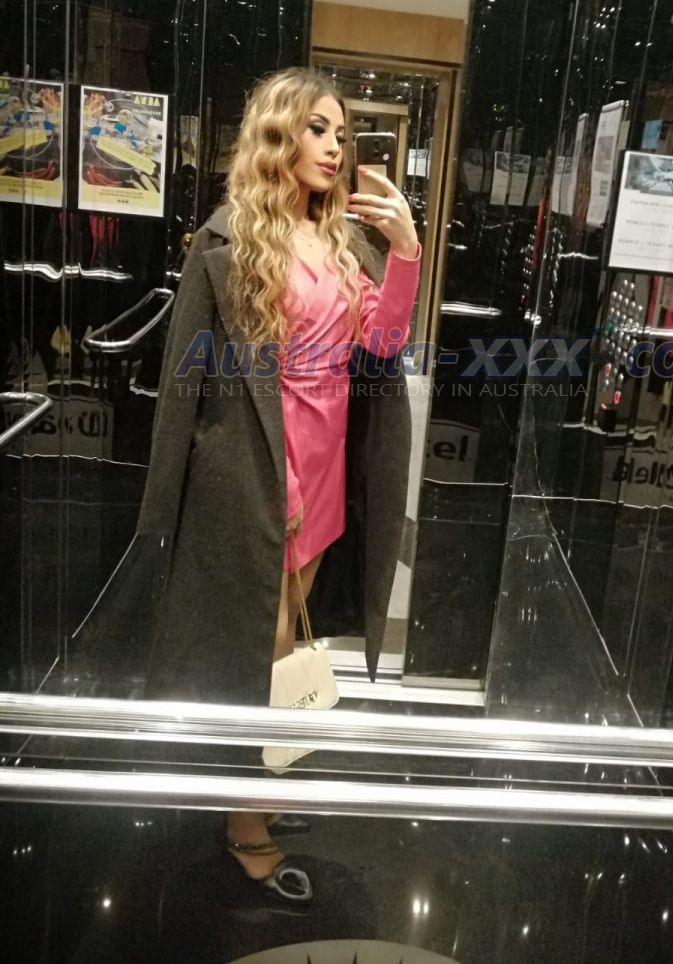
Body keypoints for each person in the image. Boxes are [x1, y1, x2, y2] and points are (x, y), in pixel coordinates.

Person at [135, 67, 421, 902]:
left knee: (289, 641)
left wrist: (406, 251)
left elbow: (382, 346)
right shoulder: (229, 240)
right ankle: (243, 817)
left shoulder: (343, 241)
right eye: (318, 129)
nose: (335, 147)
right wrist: (176, 507)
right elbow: (187, 387)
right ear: (279, 134)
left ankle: (258, 786)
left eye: (342, 134)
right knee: (258, 649)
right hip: (256, 477)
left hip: (326, 476)